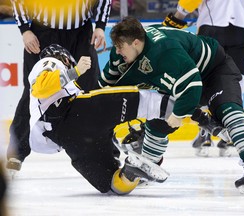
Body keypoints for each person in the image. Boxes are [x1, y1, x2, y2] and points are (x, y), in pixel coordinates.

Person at [98, 16, 244, 193]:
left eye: (120, 47)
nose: (117, 51)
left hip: (215, 71)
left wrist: (179, 115)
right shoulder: (122, 54)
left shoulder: (165, 52)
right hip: (185, 77)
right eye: (116, 46)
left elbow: (192, 84)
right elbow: (104, 86)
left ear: (135, 43)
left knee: (229, 112)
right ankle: (147, 166)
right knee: (157, 122)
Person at [27, 44, 176, 194]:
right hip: (77, 112)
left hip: (69, 140)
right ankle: (179, 108)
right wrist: (76, 71)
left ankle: (131, 171)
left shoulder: (47, 99)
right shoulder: (50, 62)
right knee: (141, 101)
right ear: (65, 59)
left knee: (113, 185)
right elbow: (41, 87)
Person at [162, 0, 244, 157]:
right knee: (235, 80)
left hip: (213, 25)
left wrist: (178, 16)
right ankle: (232, 133)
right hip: (243, 28)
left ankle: (205, 132)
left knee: (205, 77)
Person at [7, 0, 111, 174]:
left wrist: (100, 25)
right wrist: (25, 29)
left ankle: (106, 153)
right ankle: (16, 154)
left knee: (91, 92)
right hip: (43, 32)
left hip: (81, 33)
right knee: (34, 91)